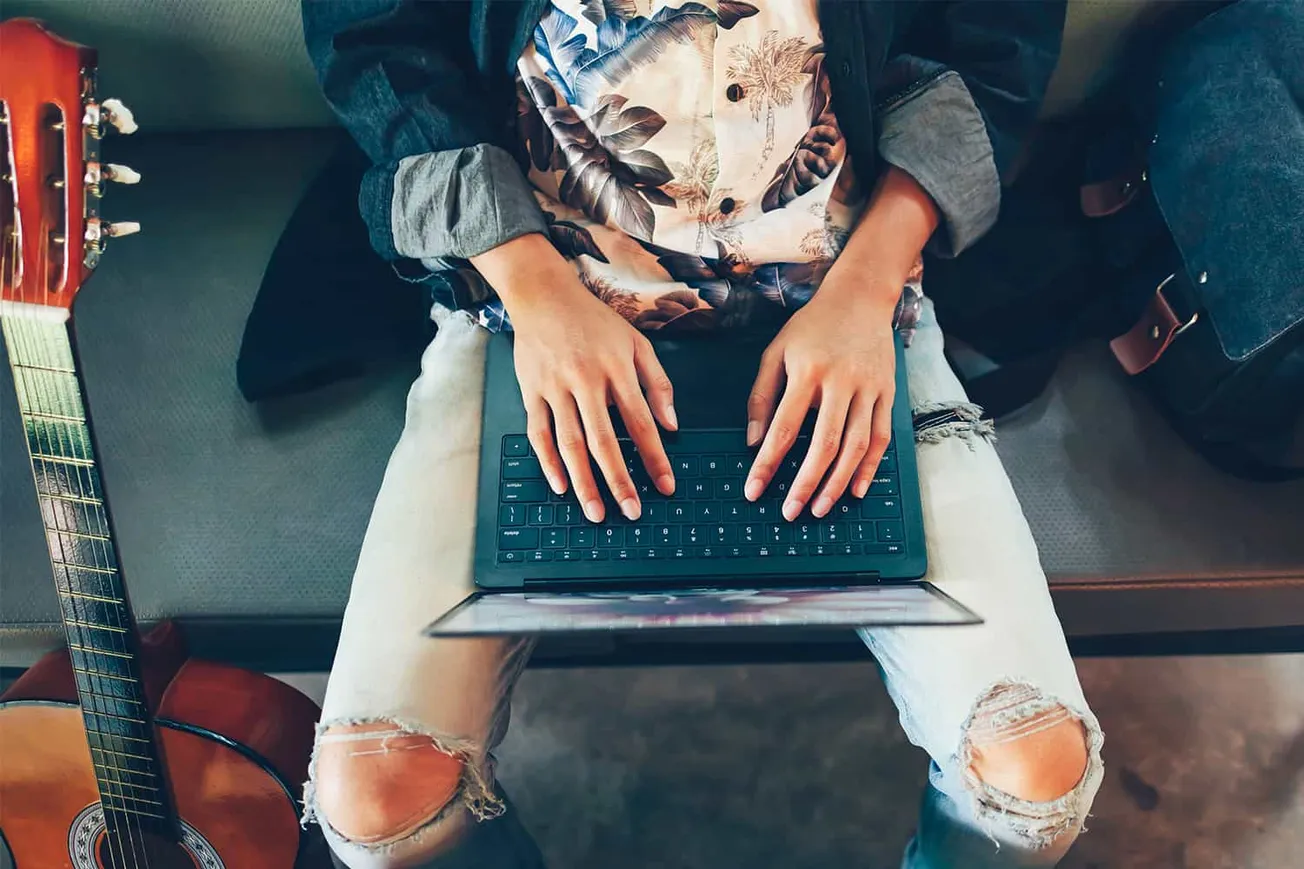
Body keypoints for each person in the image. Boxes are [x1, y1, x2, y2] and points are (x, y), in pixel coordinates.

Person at [298, 2, 1103, 866]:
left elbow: (995, 48)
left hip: (846, 293)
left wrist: (867, 293)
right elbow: (376, 41)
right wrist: (535, 292)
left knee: (1035, 777)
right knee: (375, 795)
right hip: (532, 304)